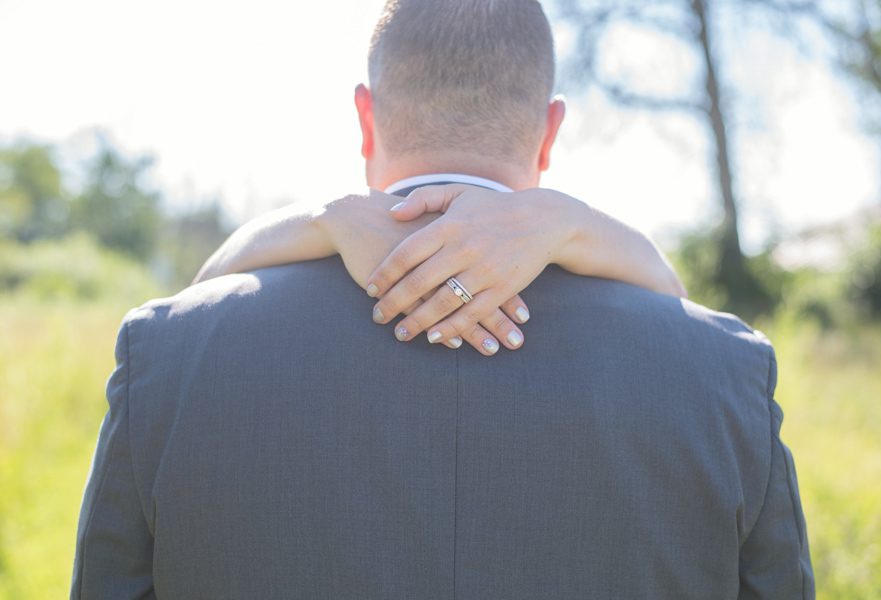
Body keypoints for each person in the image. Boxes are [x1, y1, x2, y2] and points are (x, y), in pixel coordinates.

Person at [71, 0, 814, 598]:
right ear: (549, 130)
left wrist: (320, 218)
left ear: (366, 117)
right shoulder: (725, 372)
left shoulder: (166, 355)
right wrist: (582, 224)